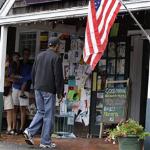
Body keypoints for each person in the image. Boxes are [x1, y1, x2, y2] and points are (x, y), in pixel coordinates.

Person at [23, 37, 64, 148]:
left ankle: (29, 132)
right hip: (49, 89)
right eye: (59, 45)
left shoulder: (39, 55)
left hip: (38, 87)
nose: (59, 47)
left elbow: (33, 73)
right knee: (48, 115)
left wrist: (35, 85)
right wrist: (60, 92)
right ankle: (45, 142)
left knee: (40, 111)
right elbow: (58, 76)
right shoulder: (56, 57)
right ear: (55, 46)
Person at [12, 50, 32, 134]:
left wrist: (21, 78)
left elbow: (29, 77)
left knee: (22, 109)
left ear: (29, 55)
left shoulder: (30, 65)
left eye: (27, 54)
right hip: (16, 87)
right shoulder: (18, 63)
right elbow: (13, 74)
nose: (26, 56)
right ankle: (13, 128)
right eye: (24, 54)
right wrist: (20, 78)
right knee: (15, 108)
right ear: (22, 55)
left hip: (25, 89)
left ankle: (21, 128)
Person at [3, 54, 14, 134]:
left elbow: (11, 78)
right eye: (6, 60)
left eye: (7, 60)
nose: (7, 62)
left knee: (9, 109)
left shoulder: (9, 68)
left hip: (8, 89)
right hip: (1, 90)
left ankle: (9, 128)